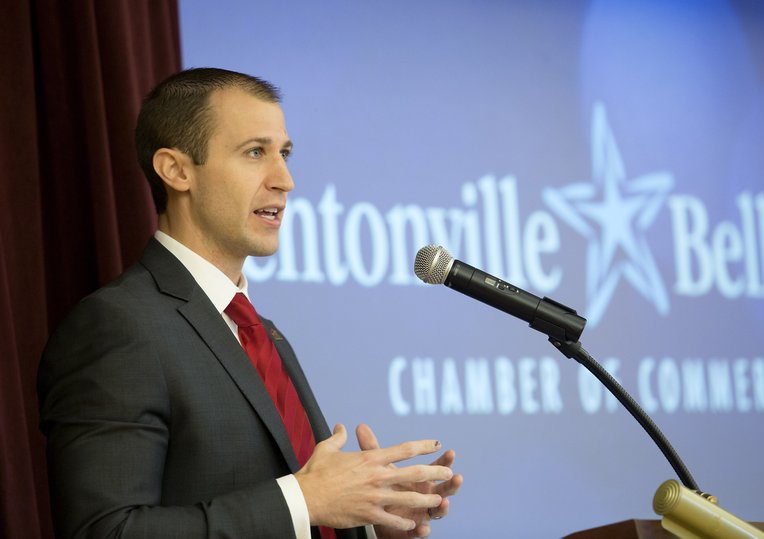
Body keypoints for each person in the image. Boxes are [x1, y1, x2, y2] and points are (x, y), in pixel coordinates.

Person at [38, 67, 462, 538]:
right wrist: (304, 500)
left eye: (284, 153)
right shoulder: (117, 326)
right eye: (255, 152)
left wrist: (371, 521)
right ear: (176, 170)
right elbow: (104, 530)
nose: (285, 180)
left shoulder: (262, 331)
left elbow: (300, 510)